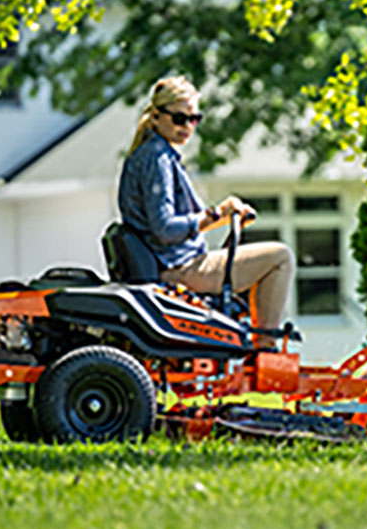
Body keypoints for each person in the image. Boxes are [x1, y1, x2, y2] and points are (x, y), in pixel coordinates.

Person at [117, 76, 295, 346]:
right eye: (179, 118)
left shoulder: (154, 153)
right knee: (280, 257)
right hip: (177, 268)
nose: (187, 127)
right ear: (156, 116)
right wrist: (215, 215)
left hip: (173, 261)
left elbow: (186, 224)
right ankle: (265, 349)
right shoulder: (157, 157)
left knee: (271, 257)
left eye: (194, 119)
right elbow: (165, 229)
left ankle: (259, 341)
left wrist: (224, 217)